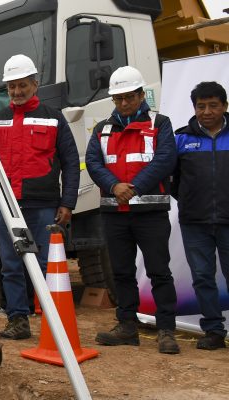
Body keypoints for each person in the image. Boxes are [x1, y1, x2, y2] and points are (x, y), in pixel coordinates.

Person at [85, 66, 179, 354]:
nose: (124, 104)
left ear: (141, 95)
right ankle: (127, 326)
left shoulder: (160, 124)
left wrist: (133, 187)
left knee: (159, 272)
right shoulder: (102, 129)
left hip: (150, 213)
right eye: (118, 99)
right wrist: (115, 187)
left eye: (129, 97)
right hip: (115, 214)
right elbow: (93, 162)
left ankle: (166, 330)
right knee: (122, 273)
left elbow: (164, 160)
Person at [0, 54, 79, 340]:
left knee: (43, 265)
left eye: (22, 85)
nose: (17, 92)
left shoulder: (54, 117)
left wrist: (67, 202)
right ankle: (18, 320)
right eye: (11, 87)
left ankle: (52, 321)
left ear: (35, 84)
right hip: (6, 206)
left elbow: (71, 161)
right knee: (11, 265)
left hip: (42, 204)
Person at [172, 81, 229, 350]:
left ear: (225, 107)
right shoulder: (181, 139)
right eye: (200, 106)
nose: (206, 111)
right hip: (194, 222)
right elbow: (174, 180)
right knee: (203, 277)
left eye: (213, 105)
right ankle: (214, 330)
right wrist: (191, 201)